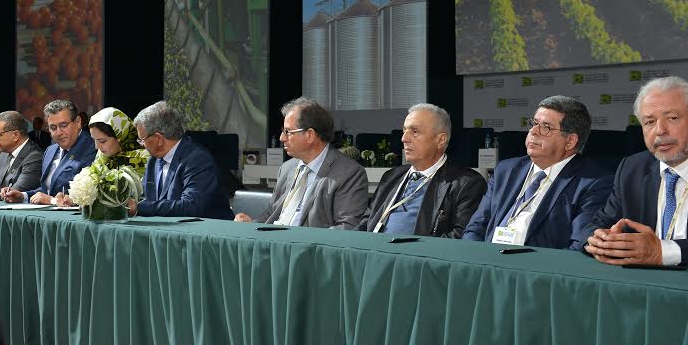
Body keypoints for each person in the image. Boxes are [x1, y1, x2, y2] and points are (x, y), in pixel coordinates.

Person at [584, 77, 688, 268]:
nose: (660, 131)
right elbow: (597, 224)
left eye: (672, 118)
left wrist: (665, 252)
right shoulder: (632, 169)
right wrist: (597, 240)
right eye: (649, 122)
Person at [463, 95, 612, 250]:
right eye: (534, 123)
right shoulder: (506, 170)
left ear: (570, 141)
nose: (533, 131)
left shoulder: (594, 183)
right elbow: (476, 227)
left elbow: (578, 246)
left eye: (546, 127)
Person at [237, 97, 367, 229]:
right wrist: (250, 224)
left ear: (310, 135)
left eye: (287, 132)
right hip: (274, 243)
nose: (282, 138)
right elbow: (272, 214)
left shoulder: (349, 174)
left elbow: (346, 227)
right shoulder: (287, 168)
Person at [359, 104, 486, 237]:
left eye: (415, 132)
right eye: (404, 131)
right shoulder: (391, 177)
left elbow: (459, 237)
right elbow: (365, 223)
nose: (404, 139)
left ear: (440, 140)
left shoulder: (466, 184)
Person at [135, 101, 233, 219]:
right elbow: (146, 198)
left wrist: (140, 207)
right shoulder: (153, 161)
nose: (142, 145)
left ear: (159, 139)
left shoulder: (197, 159)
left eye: (142, 139)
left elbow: (191, 206)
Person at [3, 100, 96, 204]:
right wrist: (22, 196)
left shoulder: (93, 148)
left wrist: (53, 201)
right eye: (53, 127)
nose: (59, 132)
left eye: (64, 125)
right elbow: (48, 190)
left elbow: (90, 196)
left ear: (78, 122)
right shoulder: (50, 151)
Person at [55, 107, 145, 212]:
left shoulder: (142, 159)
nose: (97, 147)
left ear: (120, 136)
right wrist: (74, 197)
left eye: (102, 141)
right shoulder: (102, 156)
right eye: (94, 140)